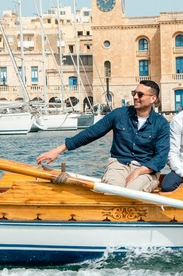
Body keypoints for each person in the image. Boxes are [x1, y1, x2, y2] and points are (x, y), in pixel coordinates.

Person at [36, 80, 169, 192]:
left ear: (153, 98)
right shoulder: (119, 115)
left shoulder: (161, 124)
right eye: (134, 93)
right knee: (114, 191)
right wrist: (58, 150)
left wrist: (138, 171)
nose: (135, 97)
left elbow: (160, 158)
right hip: (119, 165)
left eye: (140, 94)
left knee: (131, 192)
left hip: (145, 169)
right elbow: (91, 133)